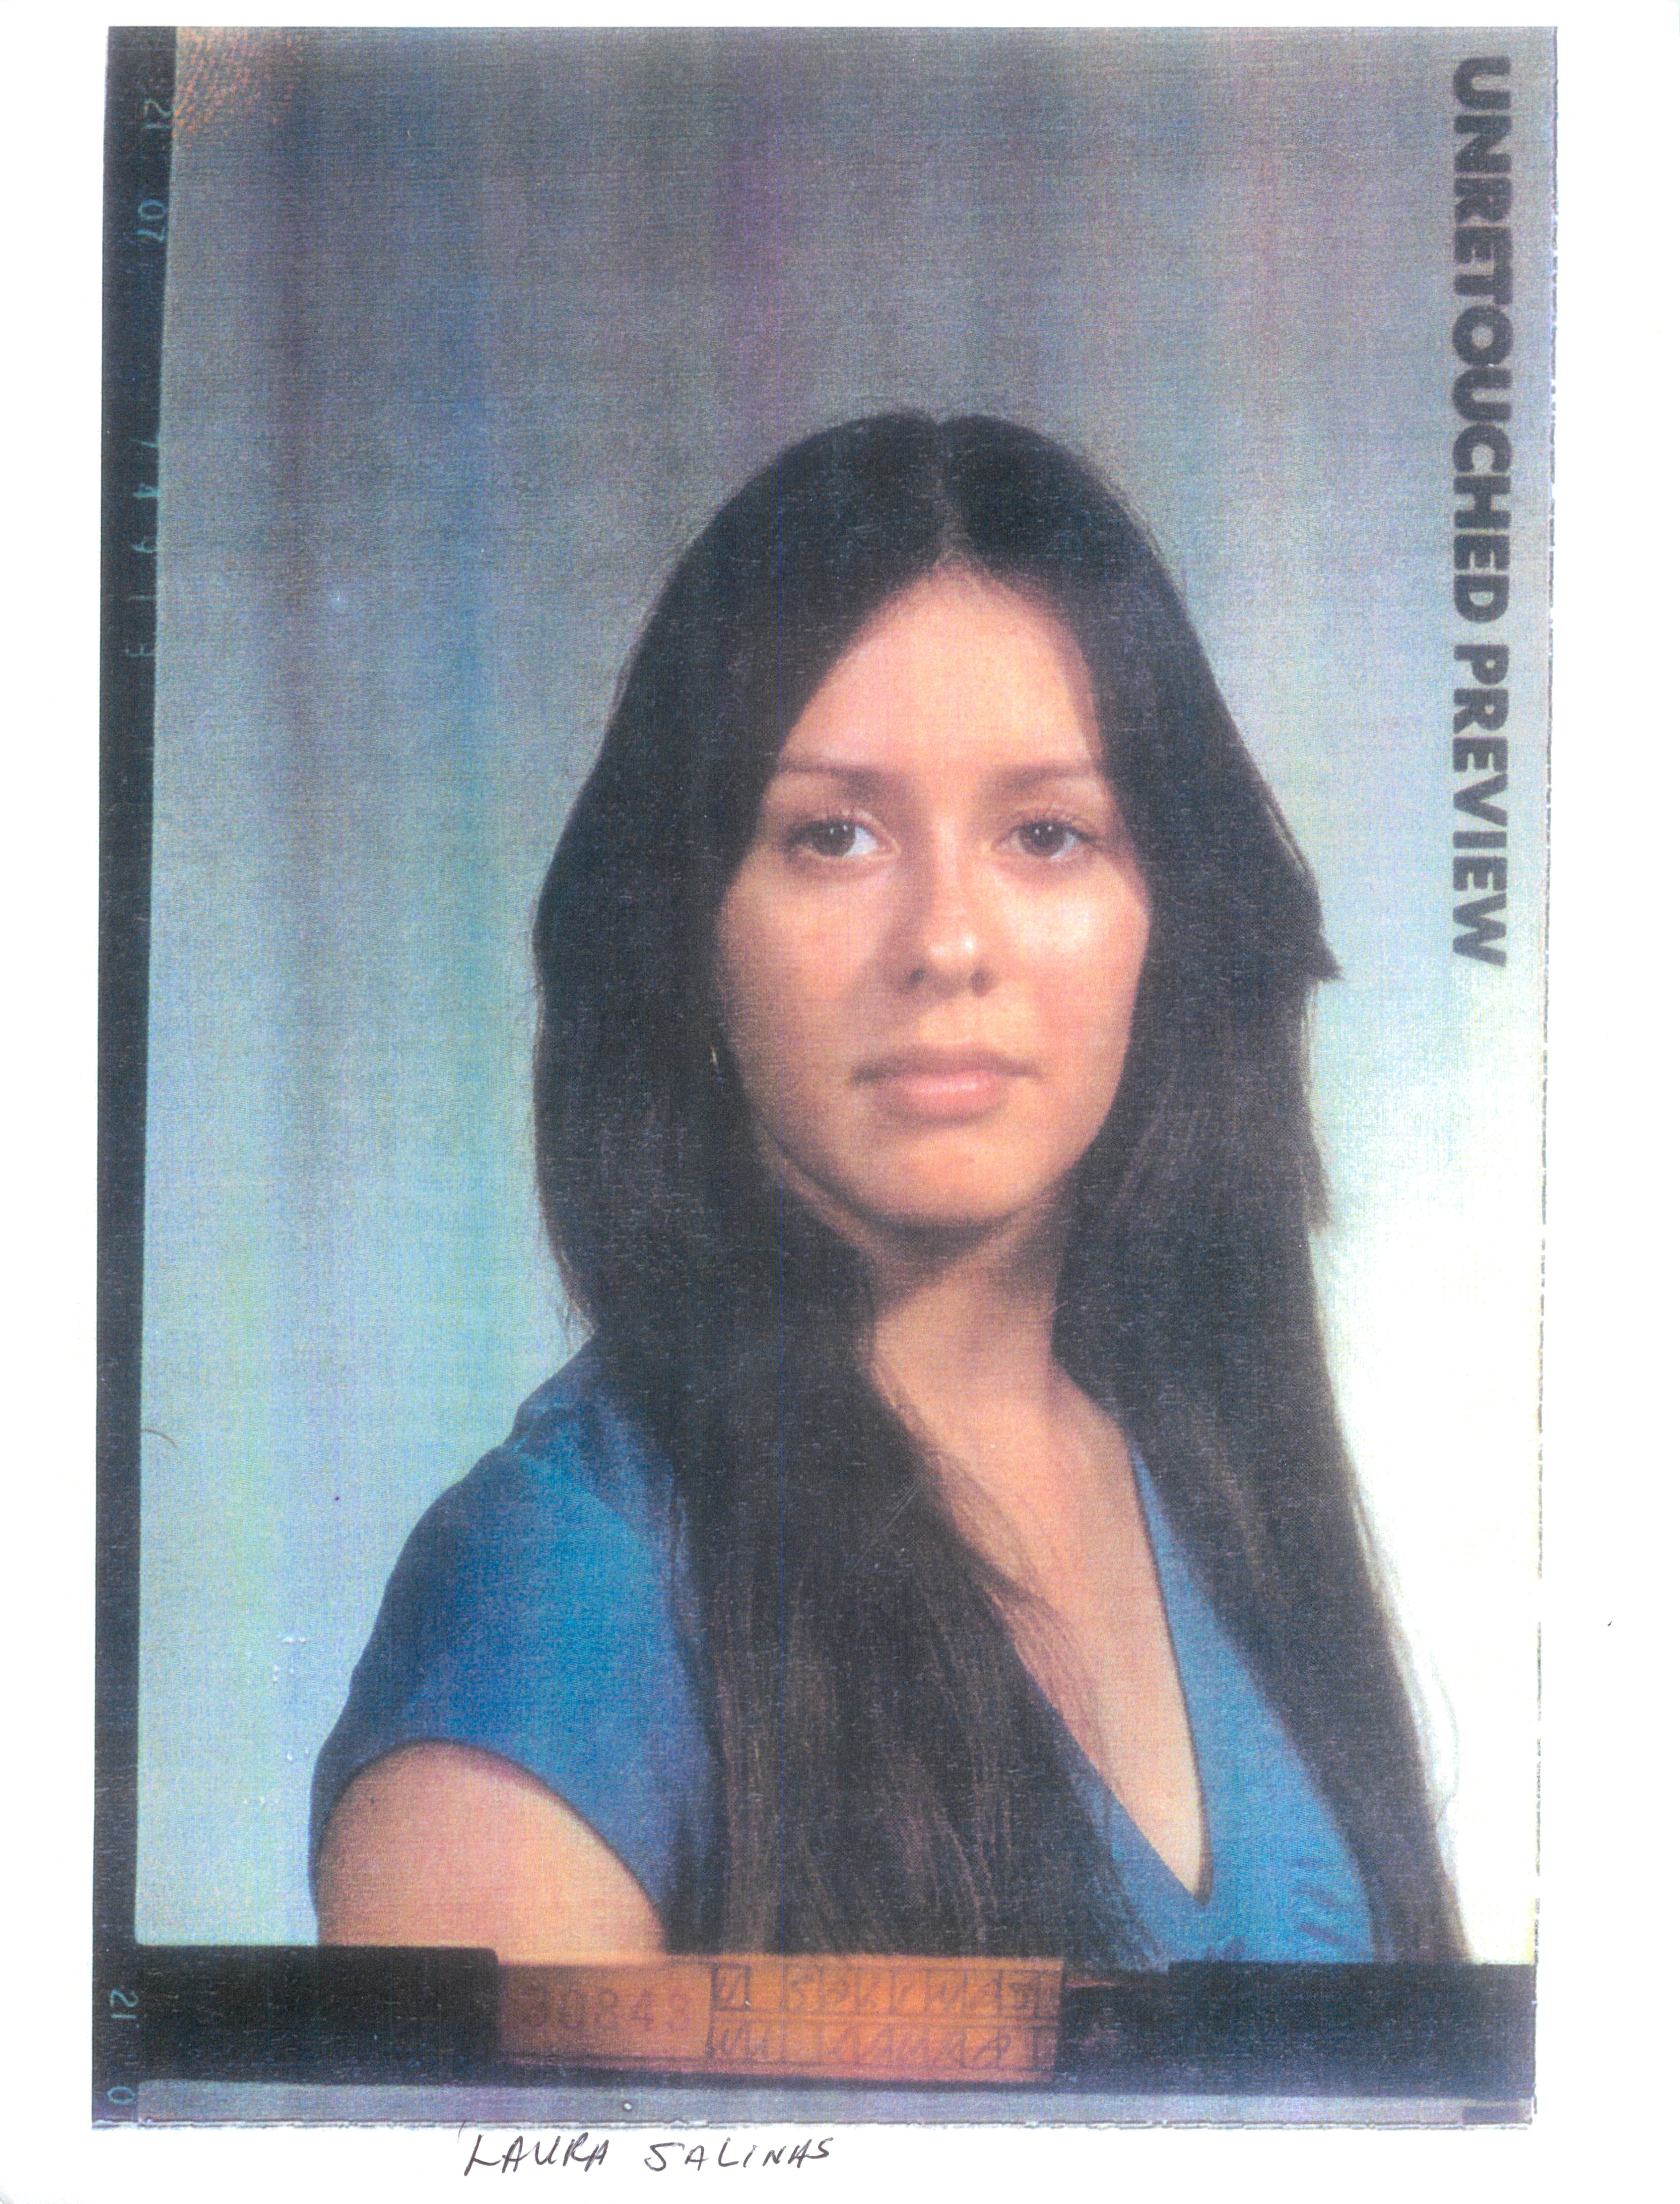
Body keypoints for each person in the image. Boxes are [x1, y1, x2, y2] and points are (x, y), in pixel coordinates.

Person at [311, 413, 1464, 1968]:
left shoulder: (1216, 1483)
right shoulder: (561, 1584)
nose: (946, 944)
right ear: (684, 931)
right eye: (833, 837)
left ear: (1172, 917)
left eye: (1047, 835)